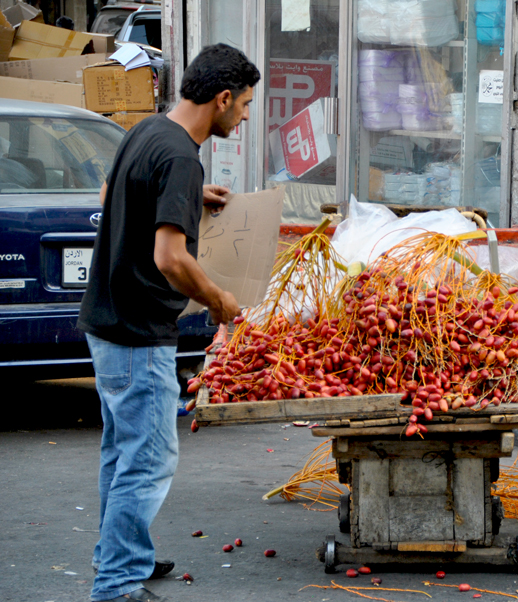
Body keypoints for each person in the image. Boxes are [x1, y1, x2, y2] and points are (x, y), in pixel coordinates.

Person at [77, 44, 260, 602]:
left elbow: (111, 194)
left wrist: (185, 197)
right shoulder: (181, 156)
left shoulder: (147, 131)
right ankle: (117, 585)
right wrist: (221, 301)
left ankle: (120, 556)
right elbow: (171, 260)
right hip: (137, 334)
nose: (246, 116)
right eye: (245, 104)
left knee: (122, 452)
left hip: (105, 322)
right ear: (222, 99)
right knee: (149, 459)